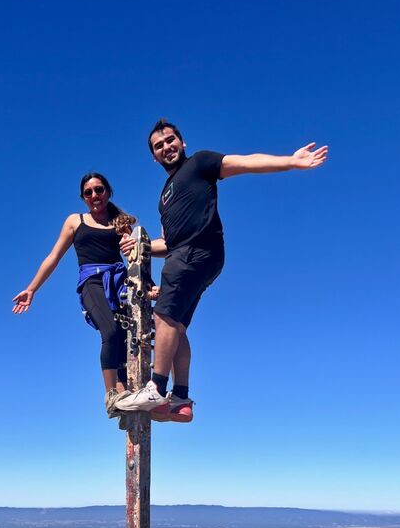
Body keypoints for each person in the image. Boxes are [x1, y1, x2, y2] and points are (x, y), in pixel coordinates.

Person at [115, 120, 328, 422]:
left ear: (182, 142)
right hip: (190, 254)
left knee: (164, 316)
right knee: (175, 327)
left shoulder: (200, 163)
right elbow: (169, 242)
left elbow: (245, 162)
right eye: (159, 145)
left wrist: (291, 161)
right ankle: (180, 400)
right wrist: (142, 247)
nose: (167, 147)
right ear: (154, 156)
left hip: (197, 252)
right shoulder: (164, 198)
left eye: (171, 140)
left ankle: (155, 388)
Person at [13, 172, 136, 418]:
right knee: (110, 330)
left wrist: (134, 249)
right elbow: (53, 257)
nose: (94, 196)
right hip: (91, 281)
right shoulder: (75, 221)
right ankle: (111, 394)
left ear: (108, 192)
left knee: (127, 337)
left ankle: (128, 396)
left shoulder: (121, 223)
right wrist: (32, 288)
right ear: (83, 198)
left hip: (119, 281)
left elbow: (133, 256)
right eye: (88, 193)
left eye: (99, 190)